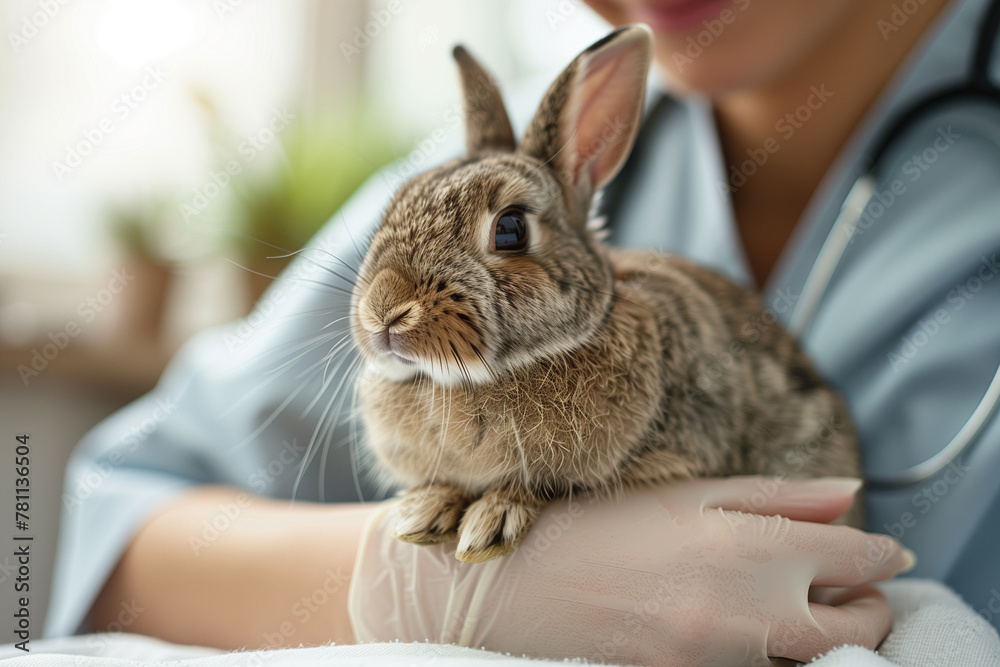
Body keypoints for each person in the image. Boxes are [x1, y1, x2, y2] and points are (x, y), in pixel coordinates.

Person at [46, 0, 1000, 662]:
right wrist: (407, 584)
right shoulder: (467, 183)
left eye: (504, 238)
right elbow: (120, 534)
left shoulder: (529, 199)